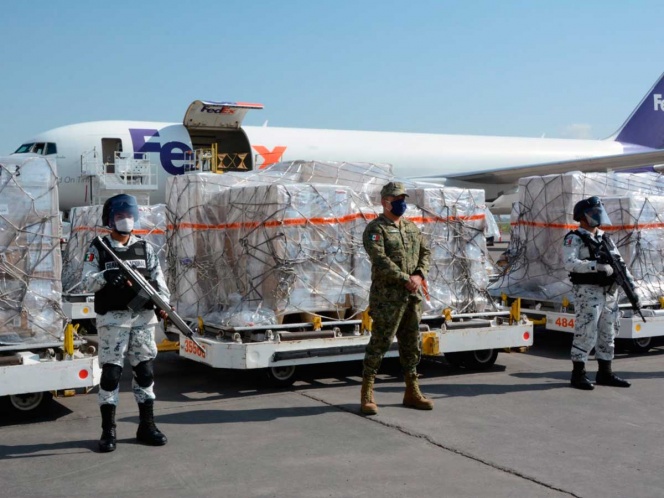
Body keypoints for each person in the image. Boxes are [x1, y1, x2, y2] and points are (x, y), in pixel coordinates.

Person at [83, 194, 170, 452]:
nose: (125, 220)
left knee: (145, 371)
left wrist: (163, 305)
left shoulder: (144, 248)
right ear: (110, 220)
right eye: (120, 216)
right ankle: (108, 431)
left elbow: (159, 282)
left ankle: (147, 426)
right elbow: (86, 281)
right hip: (113, 321)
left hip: (142, 320)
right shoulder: (98, 248)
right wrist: (106, 276)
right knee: (110, 375)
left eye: (129, 216)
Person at [360, 182, 433, 415]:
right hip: (387, 298)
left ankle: (412, 391)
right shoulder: (375, 229)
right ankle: (367, 394)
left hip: (411, 297)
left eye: (403, 198)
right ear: (385, 201)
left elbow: (425, 253)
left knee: (412, 345)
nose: (402, 202)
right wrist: (405, 278)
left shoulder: (411, 228)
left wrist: (419, 275)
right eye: (397, 198)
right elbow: (380, 260)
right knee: (379, 344)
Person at [563, 196, 638, 390]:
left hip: (609, 293)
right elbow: (569, 263)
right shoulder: (574, 238)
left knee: (608, 333)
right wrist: (594, 266)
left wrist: (632, 286)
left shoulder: (605, 238)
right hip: (588, 292)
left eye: (598, 213)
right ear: (582, 217)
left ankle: (605, 373)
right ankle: (578, 374)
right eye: (593, 214)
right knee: (586, 331)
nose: (597, 217)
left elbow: (619, 263)